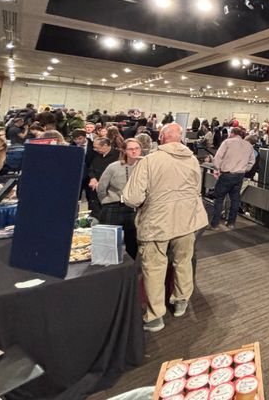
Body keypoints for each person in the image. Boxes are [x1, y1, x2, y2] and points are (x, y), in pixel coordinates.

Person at [122, 123, 208, 332]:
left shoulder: (150, 161)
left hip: (157, 222)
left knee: (154, 267)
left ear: (161, 137)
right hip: (188, 220)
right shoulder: (193, 161)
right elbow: (196, 189)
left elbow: (132, 197)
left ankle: (155, 316)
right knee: (183, 262)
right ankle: (181, 302)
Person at [97, 138, 141, 258]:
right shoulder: (113, 167)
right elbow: (101, 188)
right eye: (130, 149)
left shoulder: (144, 167)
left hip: (134, 208)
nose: (134, 151)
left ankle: (129, 271)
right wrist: (106, 202)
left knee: (133, 243)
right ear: (124, 151)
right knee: (108, 244)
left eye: (137, 148)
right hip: (113, 206)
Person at [210, 127, 254, 229]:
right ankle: (231, 223)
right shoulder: (248, 145)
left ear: (233, 133)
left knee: (219, 198)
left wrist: (218, 168)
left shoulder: (227, 142)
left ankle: (214, 224)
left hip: (226, 174)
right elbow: (252, 161)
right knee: (235, 200)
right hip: (239, 176)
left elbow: (217, 157)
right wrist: (244, 169)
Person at [87, 137, 120, 219]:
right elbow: (91, 168)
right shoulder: (97, 154)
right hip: (94, 190)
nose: (95, 149)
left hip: (109, 192)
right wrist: (92, 178)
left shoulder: (118, 155)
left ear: (105, 145)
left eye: (97, 147)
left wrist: (101, 183)